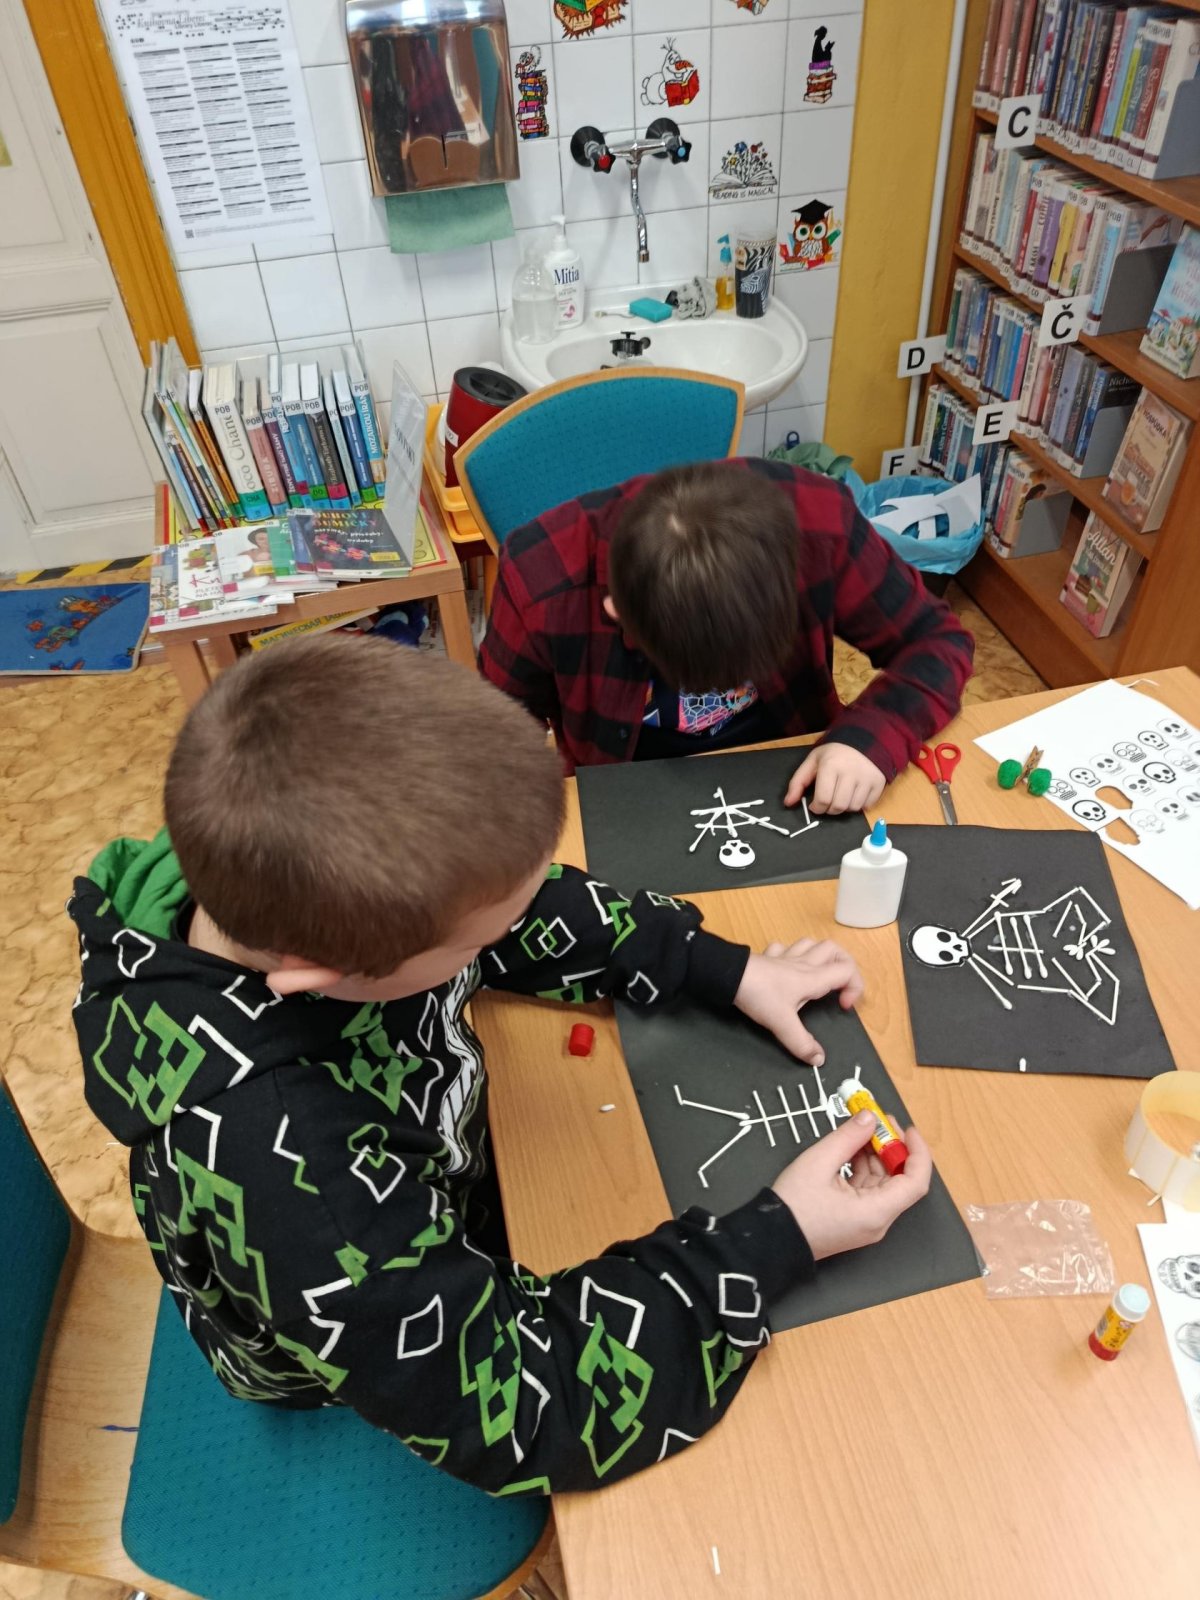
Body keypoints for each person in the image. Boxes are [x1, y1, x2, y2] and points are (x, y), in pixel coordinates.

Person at [70, 636, 930, 1496]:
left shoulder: (284, 873)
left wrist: (721, 968)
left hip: (422, 1193)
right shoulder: (299, 1187)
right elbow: (526, 1406)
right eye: (476, 942)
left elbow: (507, 903)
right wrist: (775, 1240)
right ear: (319, 974)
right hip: (345, 1339)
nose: (502, 932)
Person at [479, 458, 975, 814]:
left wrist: (870, 740)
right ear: (618, 612)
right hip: (623, 784)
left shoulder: (820, 523)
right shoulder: (540, 578)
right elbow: (497, 743)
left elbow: (936, 641)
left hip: (789, 758)